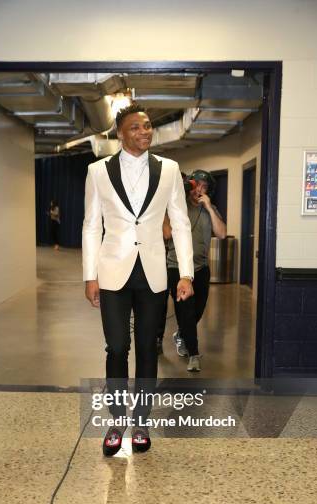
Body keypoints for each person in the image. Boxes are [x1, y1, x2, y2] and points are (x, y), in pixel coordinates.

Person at [82, 103, 194, 456]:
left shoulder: (170, 169)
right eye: (136, 127)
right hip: (112, 270)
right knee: (117, 348)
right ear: (121, 133)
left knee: (147, 349)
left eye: (148, 126)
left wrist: (187, 272)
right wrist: (89, 275)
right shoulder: (98, 171)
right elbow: (90, 226)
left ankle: (141, 421)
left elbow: (180, 222)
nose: (145, 132)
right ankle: (117, 421)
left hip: (153, 274)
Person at [162, 170, 227, 372]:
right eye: (195, 184)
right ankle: (194, 354)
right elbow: (165, 234)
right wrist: (168, 208)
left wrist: (208, 206)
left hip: (201, 268)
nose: (198, 189)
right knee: (187, 311)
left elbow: (222, 234)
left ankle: (181, 334)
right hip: (177, 267)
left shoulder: (211, 209)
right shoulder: (176, 208)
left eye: (203, 187)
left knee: (197, 310)